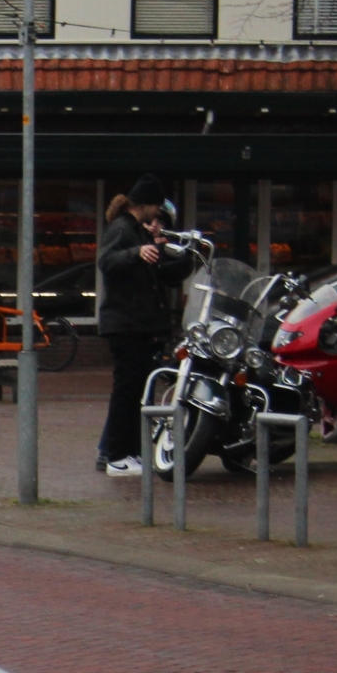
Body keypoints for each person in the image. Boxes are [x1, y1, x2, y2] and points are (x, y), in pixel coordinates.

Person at [94, 174, 193, 477]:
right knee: (127, 390)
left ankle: (126, 452)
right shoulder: (123, 229)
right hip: (127, 324)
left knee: (136, 390)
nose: (158, 216)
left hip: (140, 324)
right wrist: (136, 252)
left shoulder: (138, 231)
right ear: (148, 205)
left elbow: (159, 274)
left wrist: (173, 256)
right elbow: (106, 261)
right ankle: (116, 456)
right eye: (156, 208)